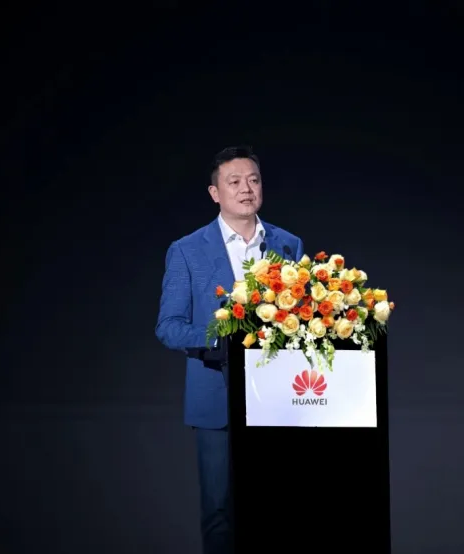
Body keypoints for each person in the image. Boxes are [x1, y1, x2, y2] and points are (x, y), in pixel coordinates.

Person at [155, 145, 305, 554]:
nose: (246, 189)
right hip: (215, 398)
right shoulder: (187, 250)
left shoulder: (287, 245)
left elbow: (303, 314)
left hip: (277, 400)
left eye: (253, 180)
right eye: (234, 182)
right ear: (215, 193)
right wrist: (220, 339)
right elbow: (168, 327)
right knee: (220, 511)